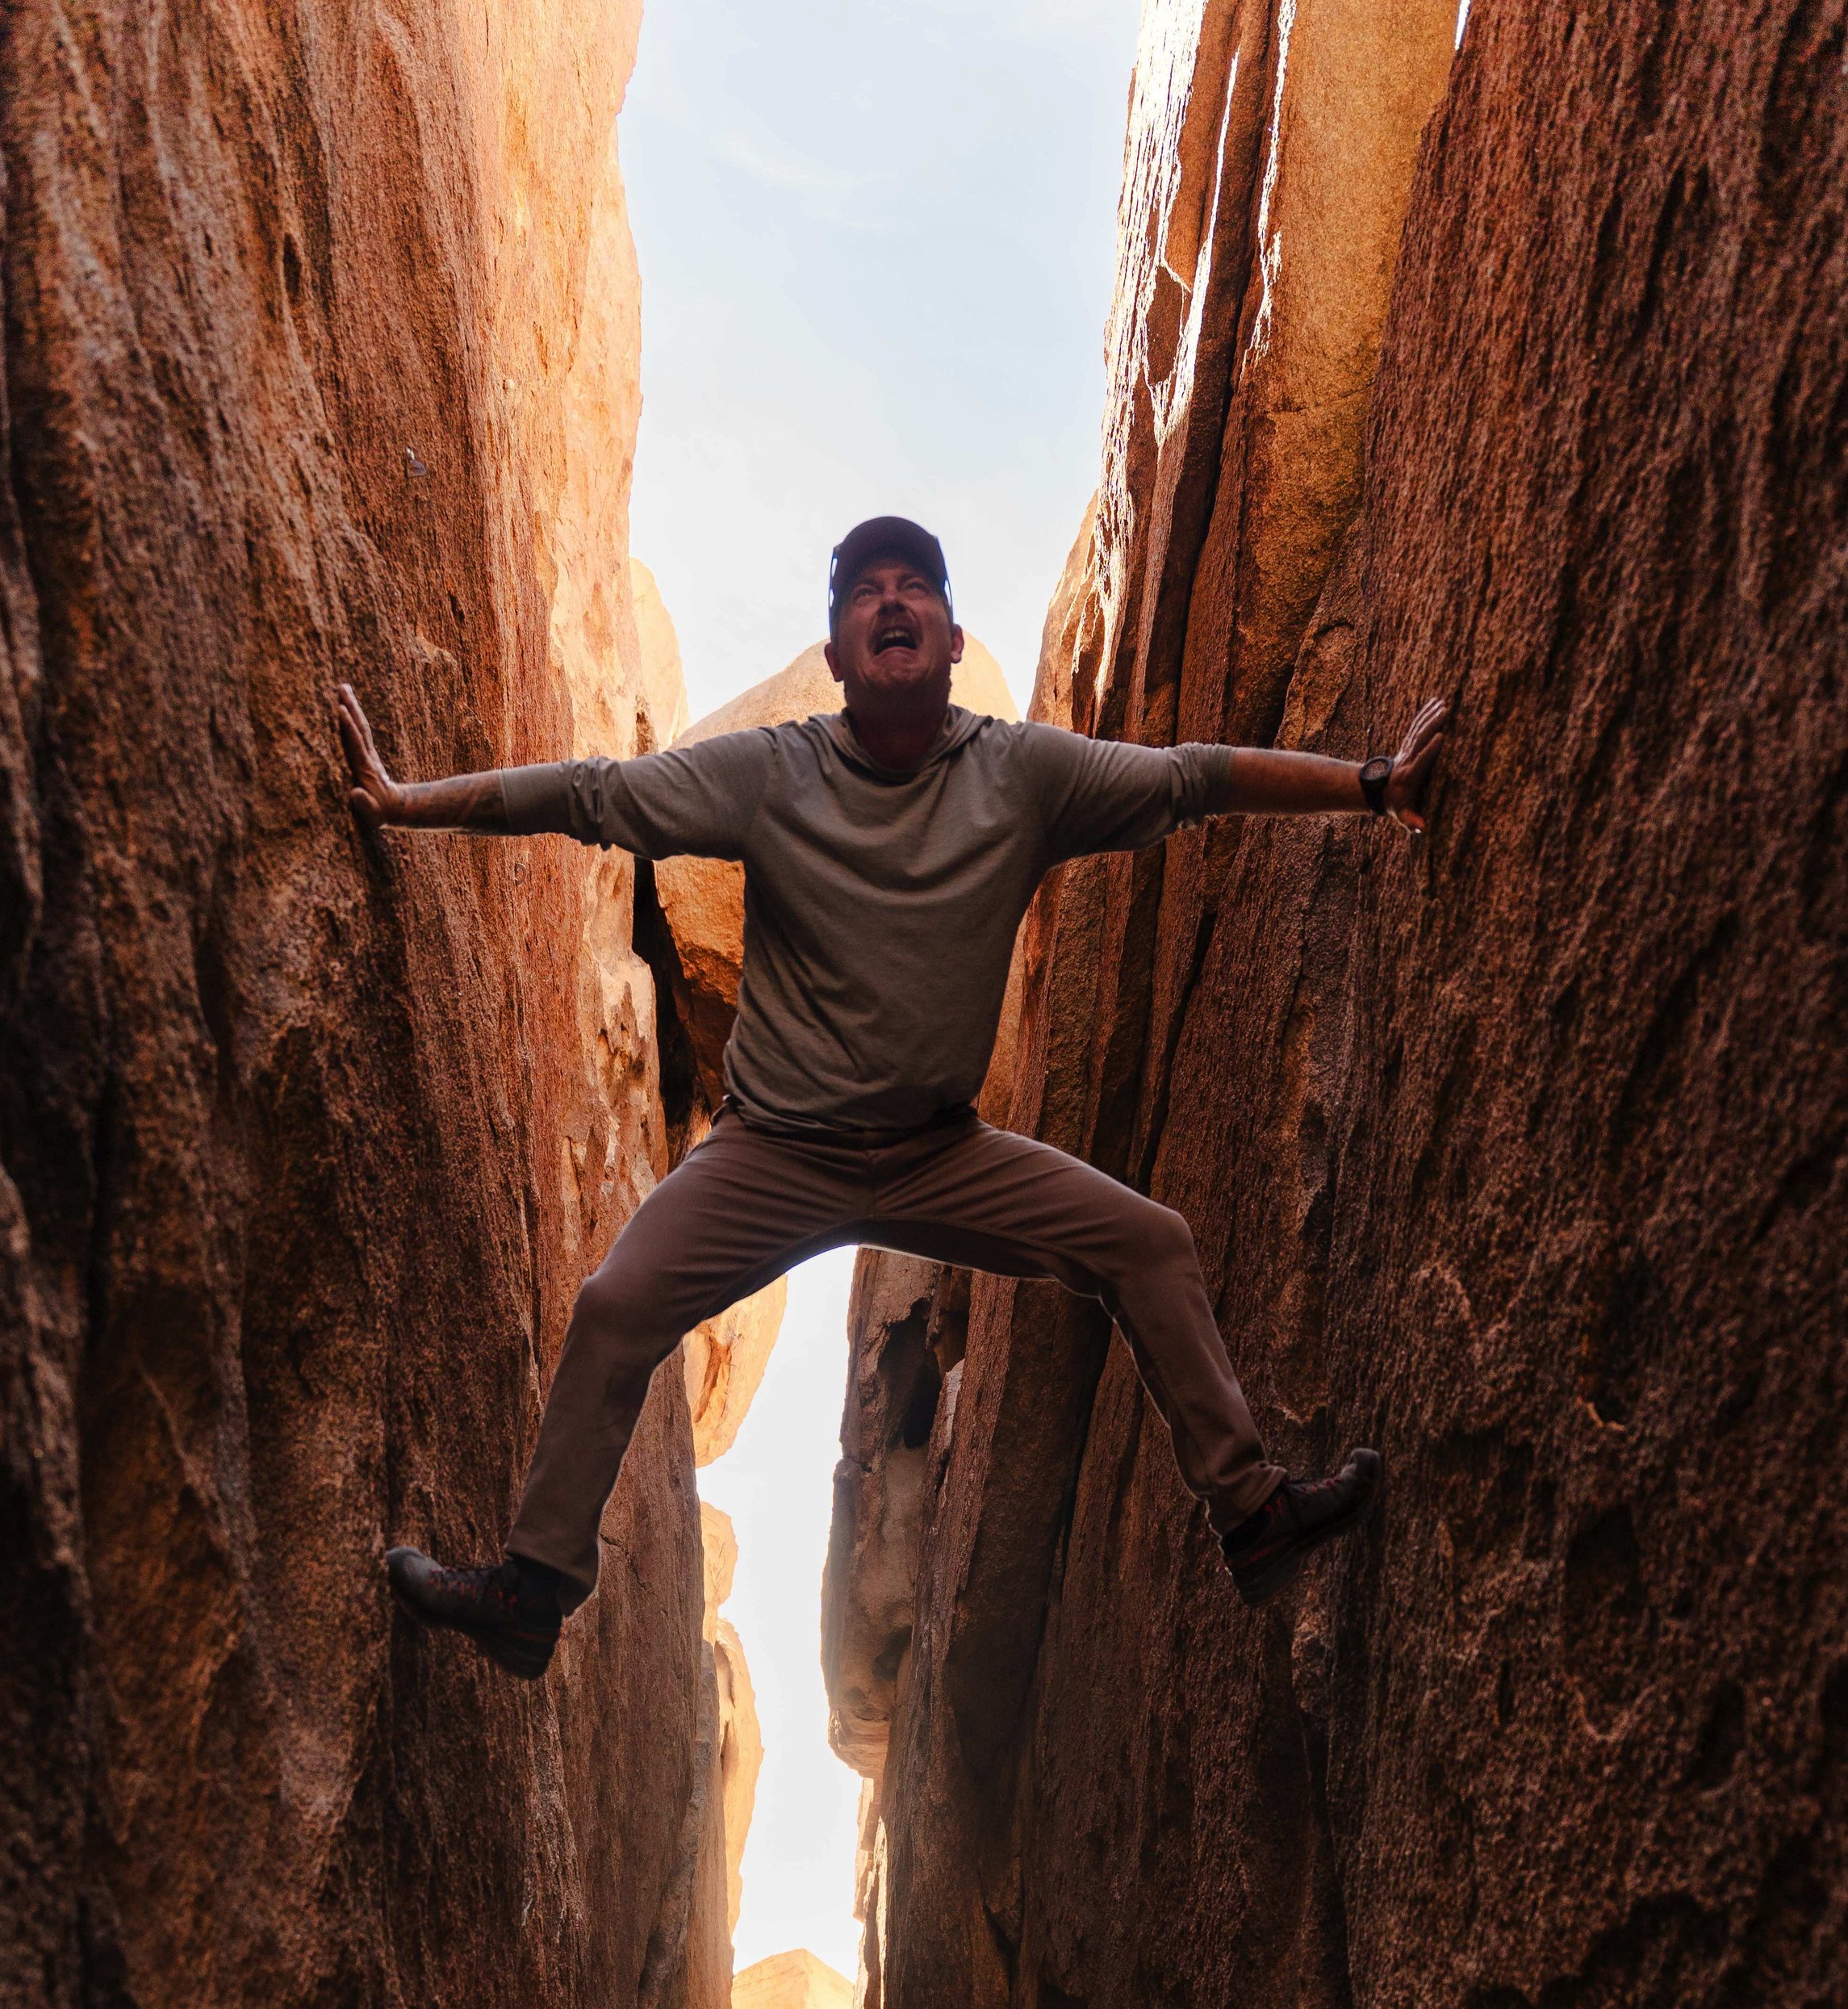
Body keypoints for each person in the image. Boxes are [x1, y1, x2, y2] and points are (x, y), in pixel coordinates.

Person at [338, 515, 1445, 1673]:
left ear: (954, 636)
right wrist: (411, 803)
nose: (892, 601)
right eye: (865, 591)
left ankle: (1253, 1513)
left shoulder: (1021, 774)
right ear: (835, 653)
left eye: (915, 584)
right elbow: (596, 795)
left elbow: (1191, 781)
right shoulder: (775, 772)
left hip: (936, 1154)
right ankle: (531, 1588)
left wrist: (1374, 785)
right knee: (617, 1306)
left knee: (1147, 1242)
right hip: (772, 1152)